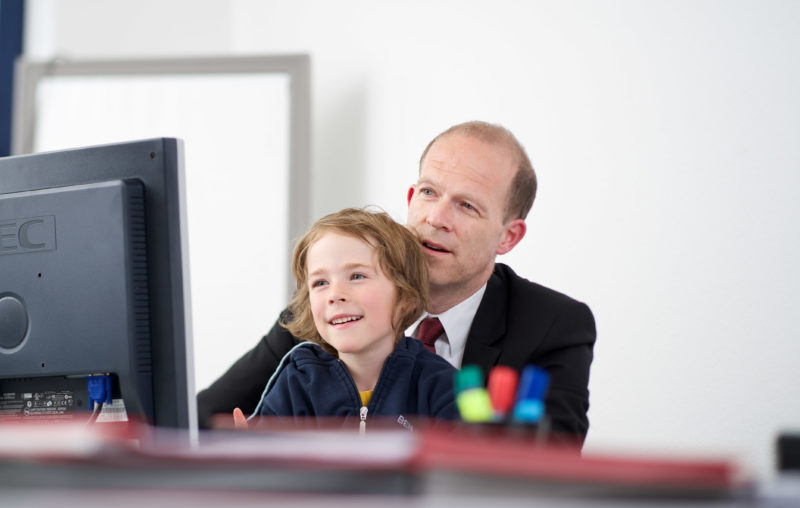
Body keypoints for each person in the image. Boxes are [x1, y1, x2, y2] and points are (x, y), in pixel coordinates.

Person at [198, 121, 596, 444]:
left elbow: (549, 467)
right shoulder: (330, 306)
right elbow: (198, 420)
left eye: (467, 205)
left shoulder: (554, 325)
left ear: (508, 236)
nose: (436, 217)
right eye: (428, 192)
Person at [251, 208, 456, 428]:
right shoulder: (296, 382)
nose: (335, 294)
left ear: (405, 296)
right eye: (321, 283)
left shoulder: (442, 387)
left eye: (357, 276)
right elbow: (271, 458)